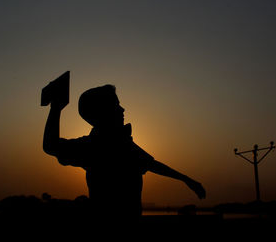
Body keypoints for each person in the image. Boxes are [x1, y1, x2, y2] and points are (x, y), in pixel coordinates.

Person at [43, 84, 205, 221]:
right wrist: (56, 108)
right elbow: (51, 146)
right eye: (115, 105)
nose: (122, 109)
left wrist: (186, 179)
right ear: (102, 112)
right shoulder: (95, 146)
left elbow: (152, 164)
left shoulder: (120, 143)